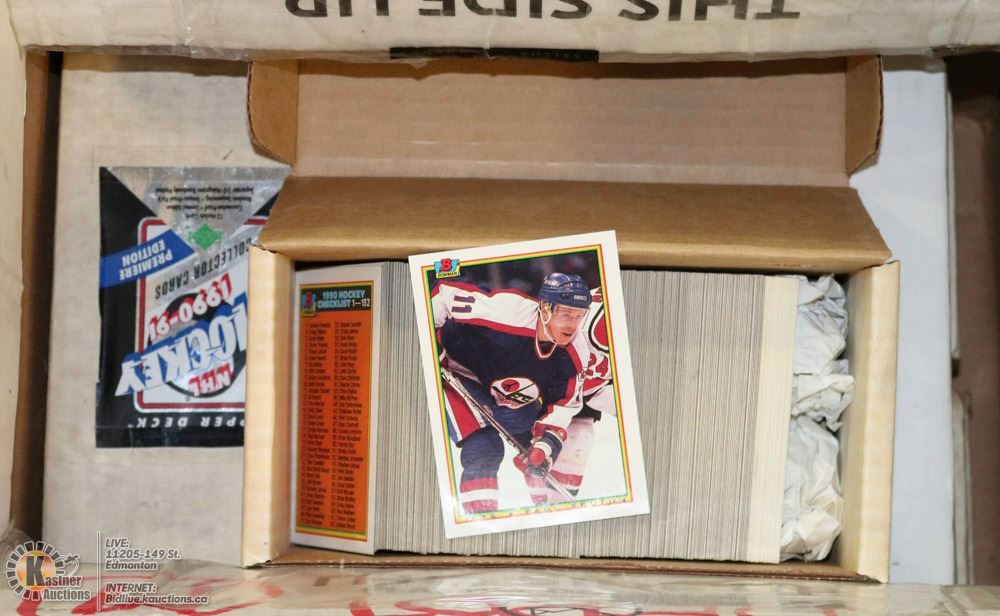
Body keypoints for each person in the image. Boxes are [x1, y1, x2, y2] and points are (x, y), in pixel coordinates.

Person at [431, 272, 592, 513]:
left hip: (498, 388)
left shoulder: (576, 352)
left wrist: (544, 448)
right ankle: (480, 519)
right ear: (545, 309)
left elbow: (563, 406)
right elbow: (444, 294)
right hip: (454, 370)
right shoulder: (508, 311)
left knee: (533, 443)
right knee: (485, 447)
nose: (573, 324)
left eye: (579, 316)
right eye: (566, 314)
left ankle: (545, 510)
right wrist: (429, 339)